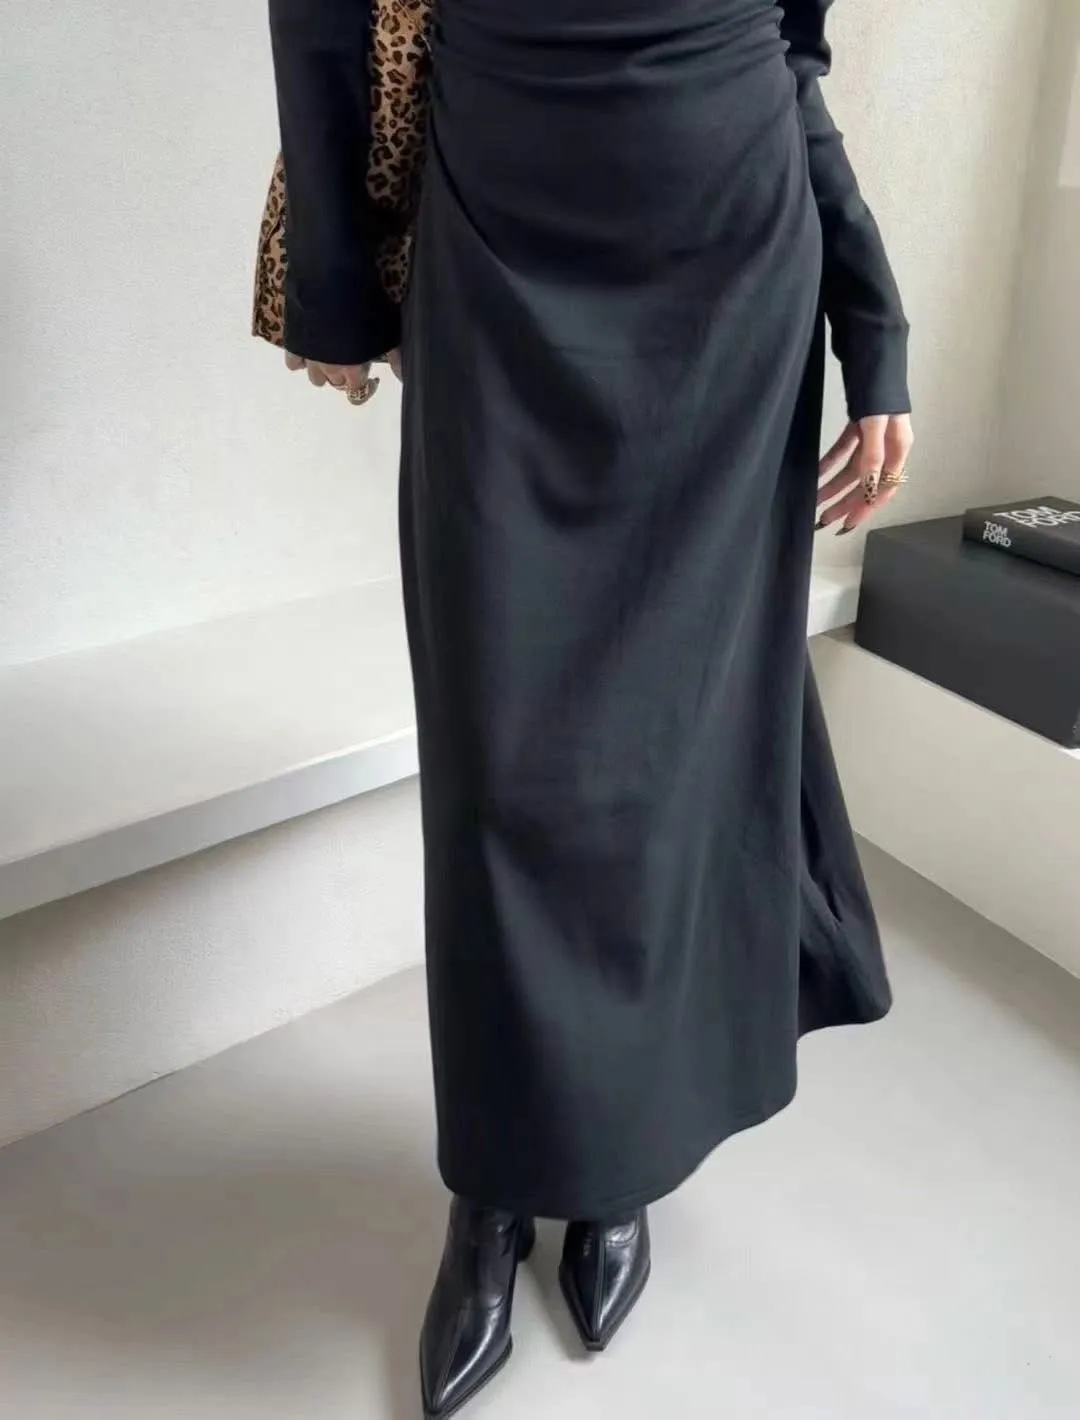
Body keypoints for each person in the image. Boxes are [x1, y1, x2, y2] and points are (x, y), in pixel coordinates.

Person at [256, 1, 914, 1415]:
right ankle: (494, 1188)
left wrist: (876, 319)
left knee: (672, 760)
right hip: (500, 257)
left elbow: (789, 54)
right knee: (498, 776)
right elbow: (321, 20)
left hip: (733, 277)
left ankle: (621, 1161)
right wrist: (335, 285)